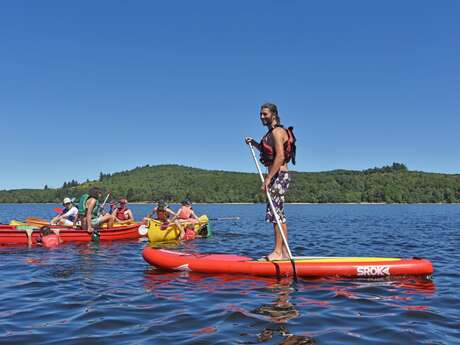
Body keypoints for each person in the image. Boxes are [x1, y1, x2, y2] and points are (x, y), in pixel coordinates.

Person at [245, 103, 296, 261]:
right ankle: (285, 252)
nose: (262, 117)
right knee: (278, 214)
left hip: (278, 175)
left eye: (265, 114)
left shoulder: (277, 132)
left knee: (276, 214)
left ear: (273, 114)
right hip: (277, 175)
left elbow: (280, 157)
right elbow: (269, 151)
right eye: (260, 114)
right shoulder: (270, 134)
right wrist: (254, 143)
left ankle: (278, 252)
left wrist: (268, 179)